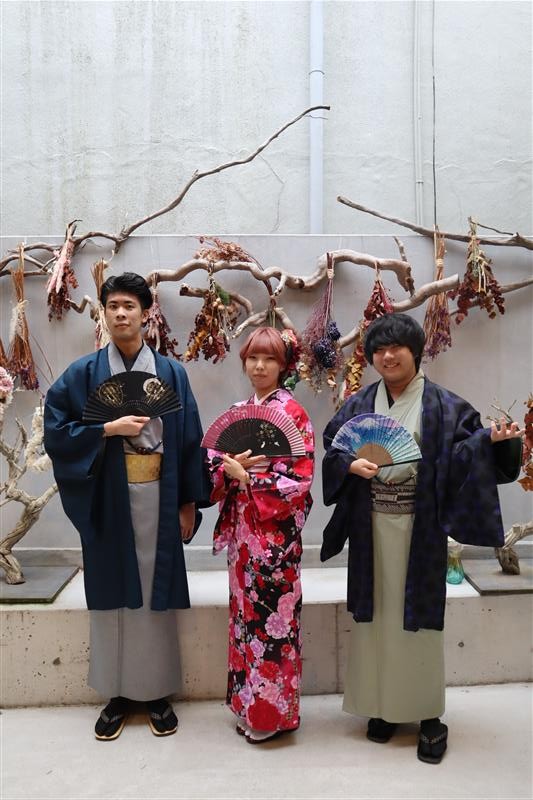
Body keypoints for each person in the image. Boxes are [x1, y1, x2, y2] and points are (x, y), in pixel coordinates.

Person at [321, 313, 523, 764]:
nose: (387, 356)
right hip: (371, 528)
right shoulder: (360, 404)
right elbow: (334, 445)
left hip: (420, 528)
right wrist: (349, 465)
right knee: (376, 621)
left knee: (420, 625)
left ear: (416, 352)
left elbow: (471, 450)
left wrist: (496, 442)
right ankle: (384, 707)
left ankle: (428, 714)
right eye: (379, 350)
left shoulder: (445, 406)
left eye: (397, 348)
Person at [44, 272, 209, 740]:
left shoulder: (171, 373)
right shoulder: (83, 374)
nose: (121, 313)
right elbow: (56, 430)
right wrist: (106, 430)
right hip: (109, 497)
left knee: (155, 591)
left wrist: (188, 503)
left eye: (129, 306)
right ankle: (116, 694)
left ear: (145, 313)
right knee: (113, 591)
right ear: (104, 313)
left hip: (160, 494)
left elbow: (190, 441)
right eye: (113, 305)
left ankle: (156, 692)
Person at [207, 327, 314, 743]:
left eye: (269, 358)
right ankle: (248, 706)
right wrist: (226, 470)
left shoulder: (294, 415)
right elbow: (214, 465)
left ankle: (273, 717)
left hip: (274, 540)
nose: (259, 366)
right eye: (252, 358)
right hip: (242, 538)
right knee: (244, 622)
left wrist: (248, 477)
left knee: (274, 625)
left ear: (284, 365)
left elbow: (299, 481)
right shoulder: (239, 411)